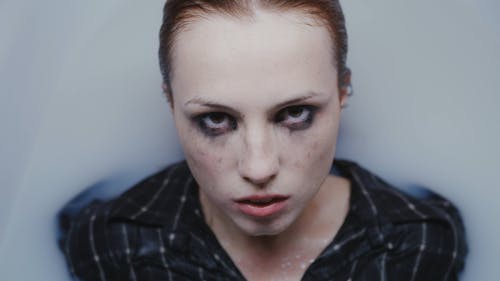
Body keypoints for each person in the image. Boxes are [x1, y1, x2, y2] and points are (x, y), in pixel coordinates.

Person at [58, 0, 467, 280]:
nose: (259, 168)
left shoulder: (421, 240)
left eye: (294, 114)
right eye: (215, 118)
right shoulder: (113, 241)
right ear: (170, 103)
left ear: (343, 93)